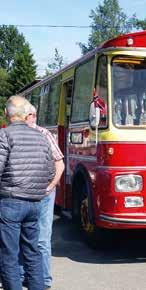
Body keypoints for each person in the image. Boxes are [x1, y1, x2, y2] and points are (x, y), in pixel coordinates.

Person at [0, 95, 55, 290]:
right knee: (32, 252)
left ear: (7, 114)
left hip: (10, 202)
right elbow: (50, 171)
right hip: (35, 204)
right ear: (25, 115)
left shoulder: (4, 135)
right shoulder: (41, 136)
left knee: (9, 254)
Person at [23, 104, 65, 289]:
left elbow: (60, 164)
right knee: (22, 236)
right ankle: (24, 276)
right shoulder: (12, 134)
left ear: (32, 116)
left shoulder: (44, 134)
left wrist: (50, 187)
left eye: (28, 116)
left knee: (41, 238)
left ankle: (44, 279)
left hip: (43, 194)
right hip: (22, 193)